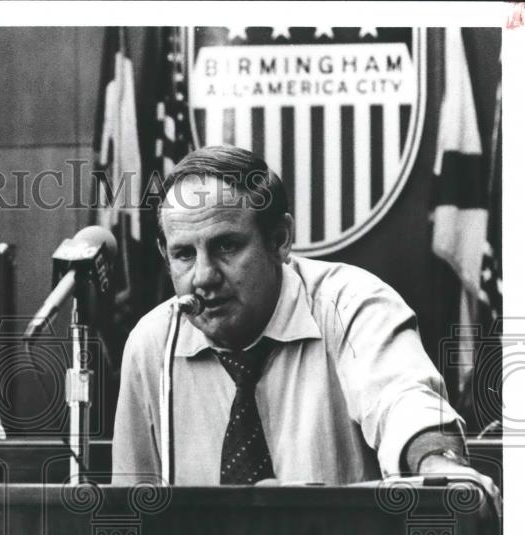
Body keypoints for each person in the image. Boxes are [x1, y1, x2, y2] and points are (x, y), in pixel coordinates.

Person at [113, 145, 496, 493]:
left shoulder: (352, 306)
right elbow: (130, 508)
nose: (203, 276)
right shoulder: (153, 346)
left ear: (280, 239)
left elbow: (404, 401)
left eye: (226, 245)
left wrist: (436, 463)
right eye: (183, 254)